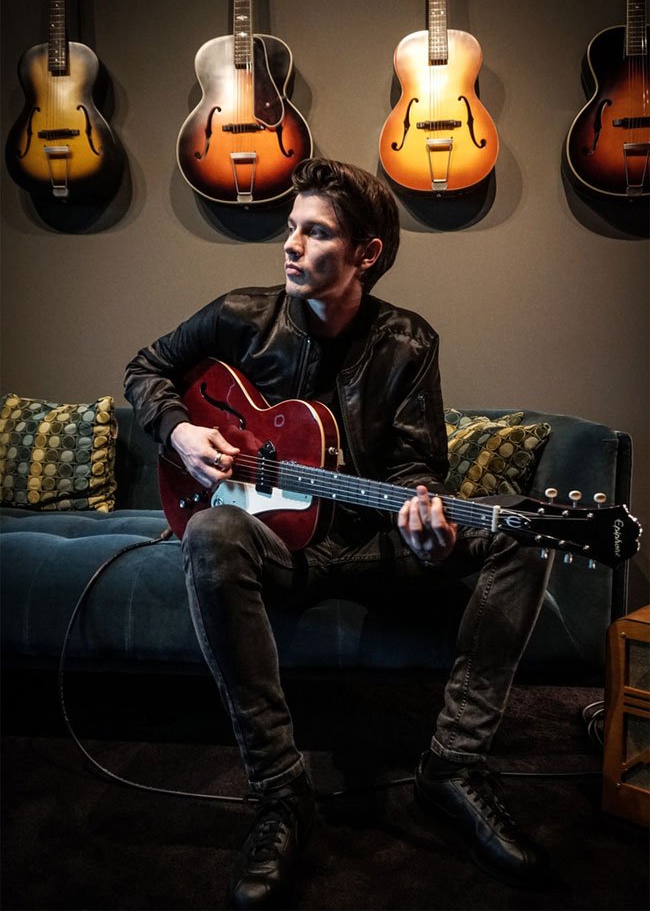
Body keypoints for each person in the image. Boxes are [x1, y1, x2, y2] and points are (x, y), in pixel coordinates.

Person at [124, 158, 552, 908]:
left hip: (373, 544)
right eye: (291, 228)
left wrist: (426, 521)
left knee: (522, 529)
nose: (291, 245)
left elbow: (418, 467)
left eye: (315, 233)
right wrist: (180, 432)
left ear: (366, 254)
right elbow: (147, 368)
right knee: (212, 533)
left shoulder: (409, 341)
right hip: (280, 547)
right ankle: (281, 791)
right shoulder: (240, 315)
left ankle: (453, 766)